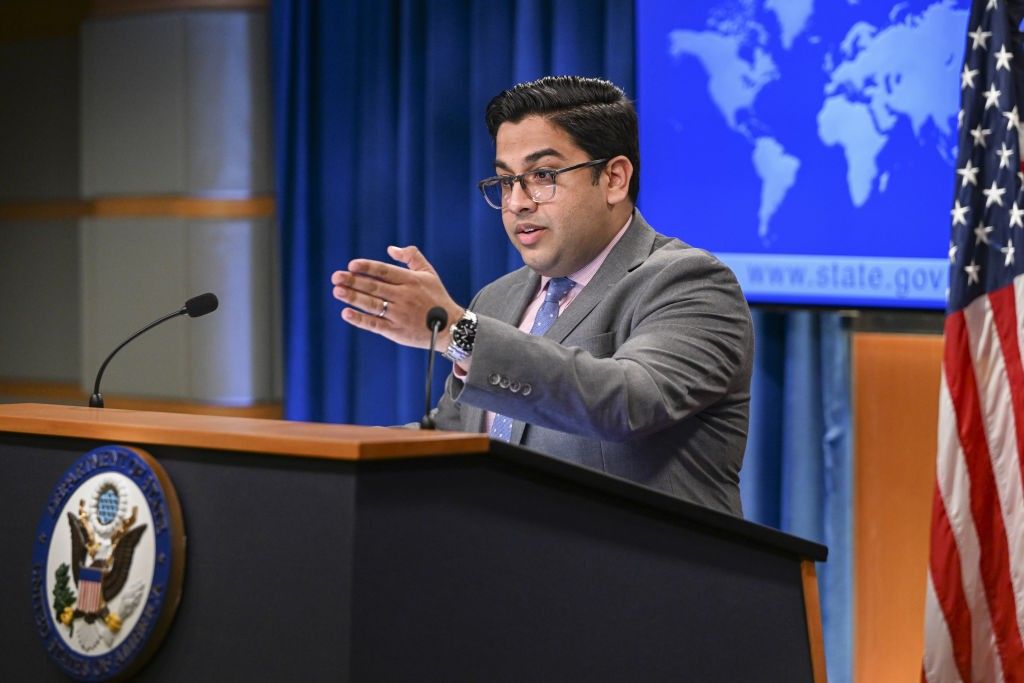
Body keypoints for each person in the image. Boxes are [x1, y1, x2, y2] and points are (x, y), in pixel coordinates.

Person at [331, 76, 753, 516]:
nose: (517, 202)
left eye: (542, 176)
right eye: (505, 181)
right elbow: (457, 441)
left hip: (643, 576)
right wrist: (337, 457)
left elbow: (628, 401)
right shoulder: (496, 299)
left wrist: (459, 334)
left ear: (613, 178)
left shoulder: (689, 282)